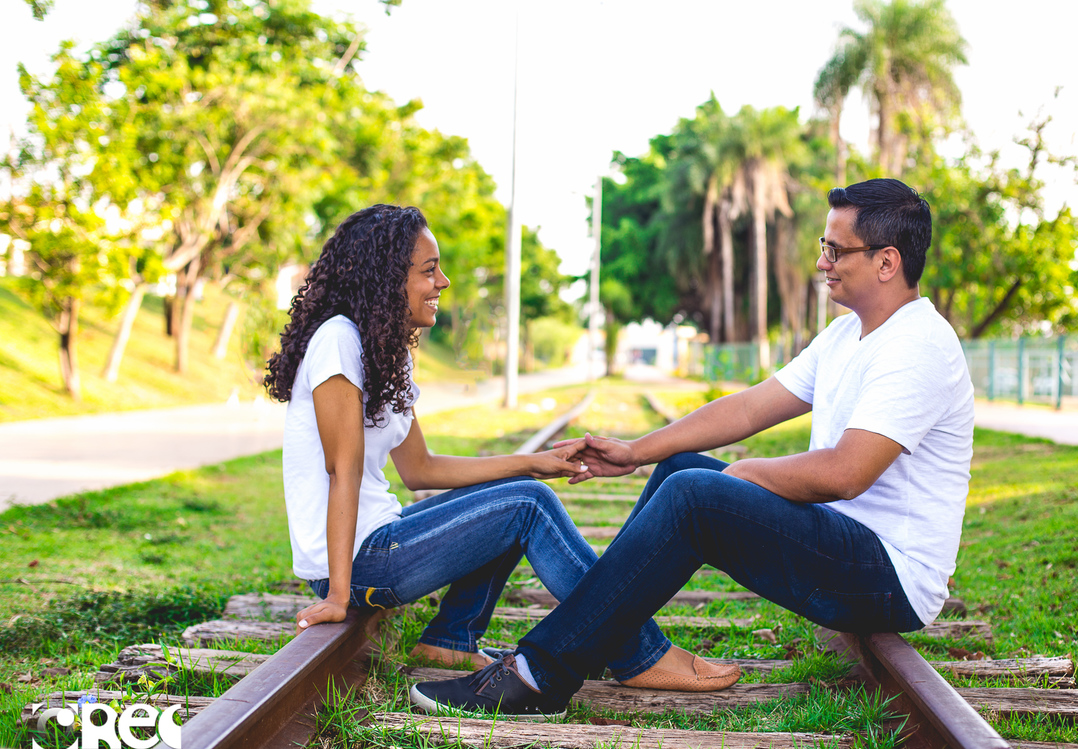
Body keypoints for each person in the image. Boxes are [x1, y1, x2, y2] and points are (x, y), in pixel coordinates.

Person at [410, 178, 975, 719]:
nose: (822, 262)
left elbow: (847, 473)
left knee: (696, 496)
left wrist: (749, 472)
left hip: (889, 575)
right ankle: (614, 643)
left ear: (886, 262)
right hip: (845, 542)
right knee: (679, 469)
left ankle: (540, 675)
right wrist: (639, 451)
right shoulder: (847, 334)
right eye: (823, 246)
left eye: (836, 250)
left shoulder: (917, 345)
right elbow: (748, 409)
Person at [263, 204, 738, 697]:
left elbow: (421, 469)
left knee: (515, 489)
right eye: (429, 270)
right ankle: (637, 651)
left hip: (379, 539)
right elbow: (341, 470)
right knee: (529, 505)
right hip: (360, 560)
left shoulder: (385, 350)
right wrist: (339, 594)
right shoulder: (338, 341)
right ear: (385, 278)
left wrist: (533, 463)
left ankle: (450, 638)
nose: (443, 282)